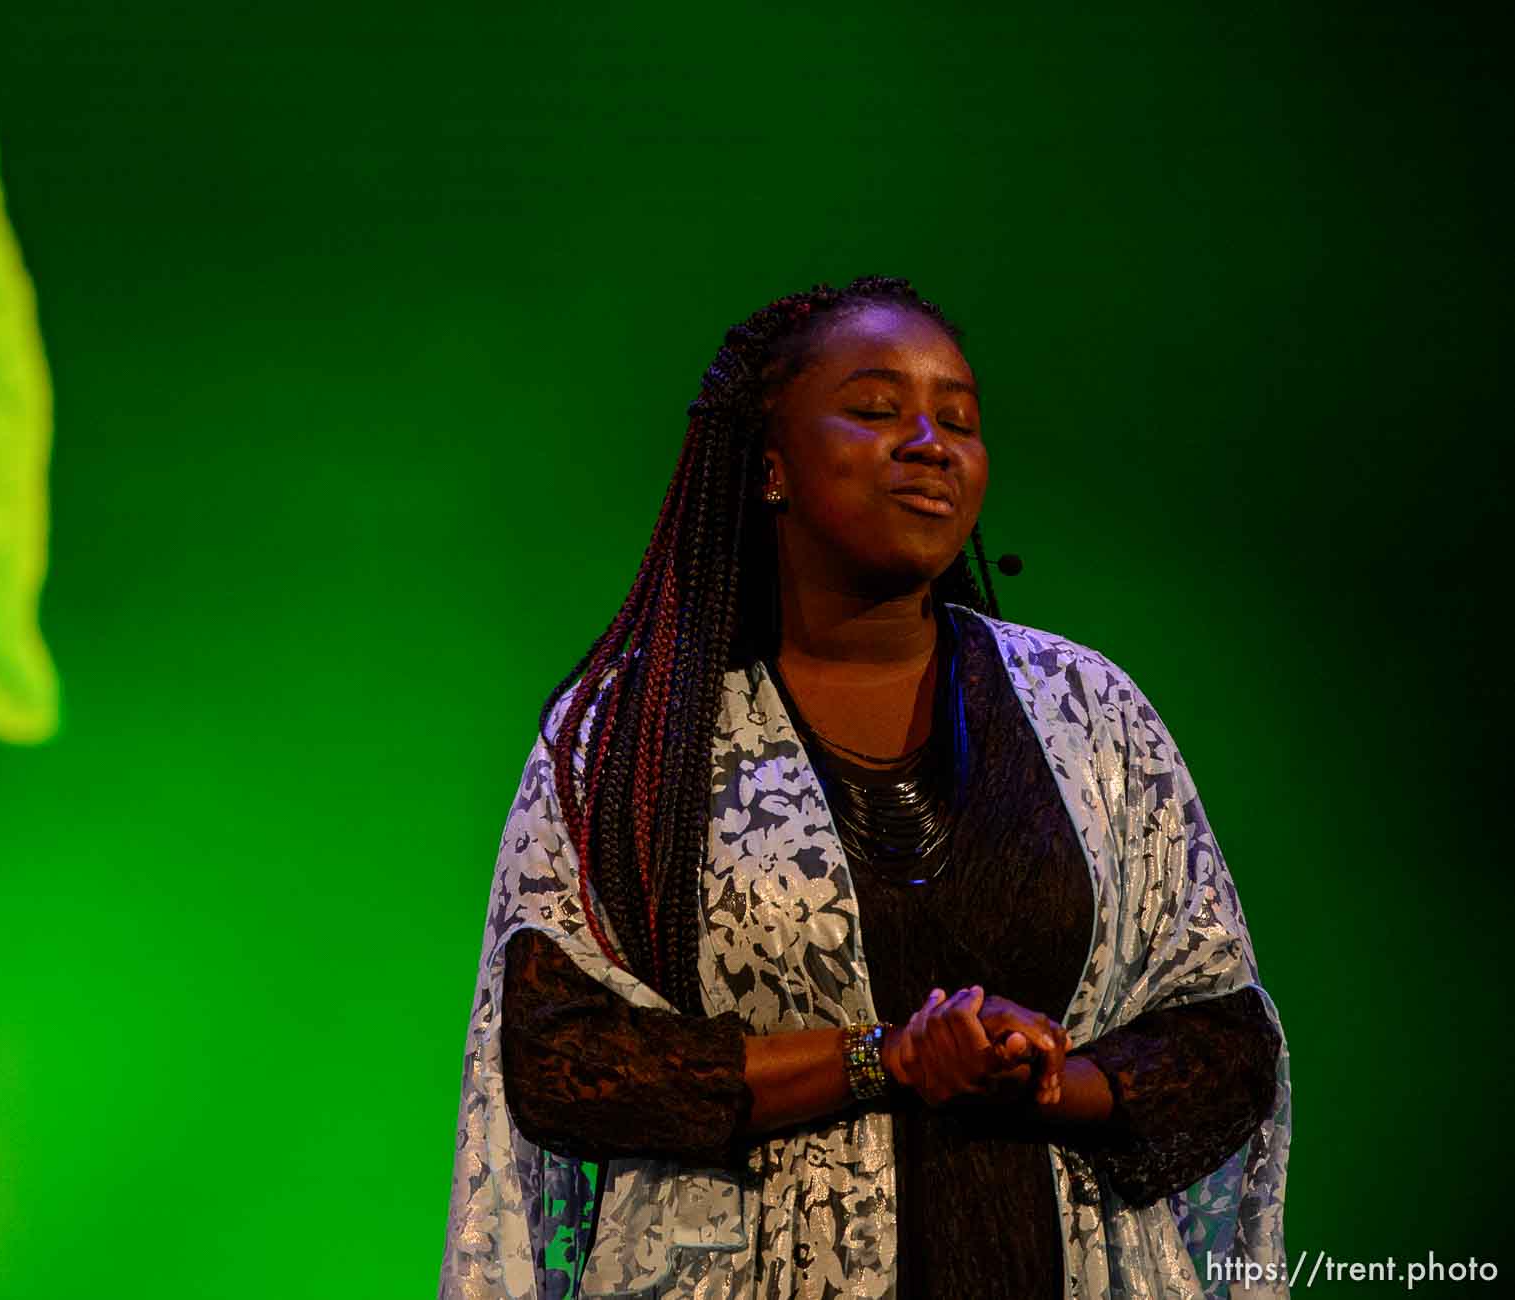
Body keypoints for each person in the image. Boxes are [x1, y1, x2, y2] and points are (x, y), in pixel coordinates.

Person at [440, 277, 1291, 1299]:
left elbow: (1229, 1042)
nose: (930, 441)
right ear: (770, 467)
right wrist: (880, 1058)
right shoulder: (635, 734)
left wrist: (1049, 1081)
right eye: (879, 409)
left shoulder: (1089, 707)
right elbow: (564, 1061)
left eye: (960, 419)